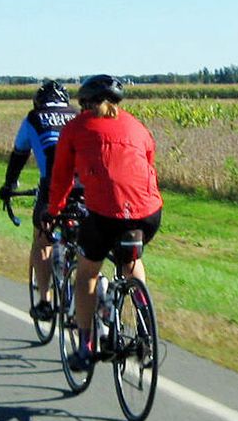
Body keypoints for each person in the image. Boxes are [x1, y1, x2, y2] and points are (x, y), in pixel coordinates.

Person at [46, 75, 163, 372]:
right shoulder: (137, 125)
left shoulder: (75, 128)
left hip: (104, 214)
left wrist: (54, 210)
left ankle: (86, 347)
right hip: (148, 213)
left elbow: (61, 176)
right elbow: (148, 164)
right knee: (130, 261)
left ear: (85, 104)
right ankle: (145, 330)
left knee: (87, 274)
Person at [0, 80, 78, 321]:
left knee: (42, 241)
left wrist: (9, 185)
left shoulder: (34, 118)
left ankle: (45, 301)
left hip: (52, 185)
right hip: (84, 184)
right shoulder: (77, 115)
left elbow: (19, 154)